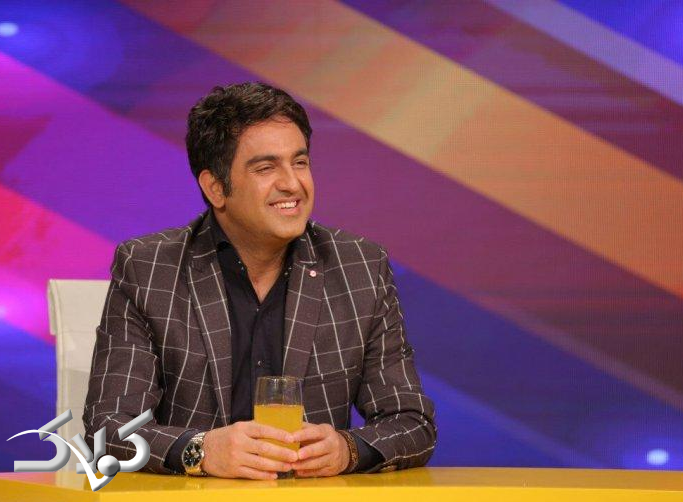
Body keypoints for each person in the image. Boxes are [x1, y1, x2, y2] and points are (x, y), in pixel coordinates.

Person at [83, 82, 436, 479]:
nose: (292, 184)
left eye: (299, 162)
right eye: (266, 168)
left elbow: (412, 423)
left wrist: (347, 450)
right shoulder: (149, 269)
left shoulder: (360, 267)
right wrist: (201, 451)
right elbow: (107, 429)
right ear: (216, 188)